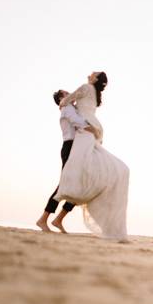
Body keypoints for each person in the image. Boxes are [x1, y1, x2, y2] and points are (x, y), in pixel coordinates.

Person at [55, 72, 130, 241]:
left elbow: (66, 101)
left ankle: (58, 212)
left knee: (77, 172)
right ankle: (59, 216)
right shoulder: (94, 93)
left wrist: (63, 101)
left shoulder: (85, 88)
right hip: (92, 128)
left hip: (86, 129)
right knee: (84, 171)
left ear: (95, 79)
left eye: (93, 73)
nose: (89, 74)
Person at [36, 90, 99, 233]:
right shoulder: (67, 108)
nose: (70, 93)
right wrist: (93, 130)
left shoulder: (72, 108)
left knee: (79, 185)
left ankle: (58, 220)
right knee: (65, 185)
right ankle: (43, 219)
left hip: (76, 148)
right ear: (61, 98)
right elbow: (77, 122)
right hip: (69, 147)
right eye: (66, 93)